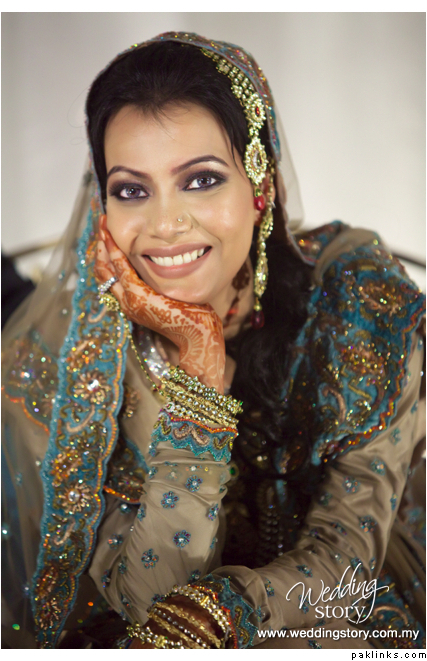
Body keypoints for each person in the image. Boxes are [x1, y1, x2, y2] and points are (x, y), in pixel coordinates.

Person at [1, 32, 425, 650]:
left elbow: (347, 560)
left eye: (200, 180)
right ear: (102, 209)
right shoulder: (70, 370)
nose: (166, 225)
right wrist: (198, 367)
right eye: (132, 190)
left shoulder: (354, 303)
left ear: (261, 187)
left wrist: (231, 610)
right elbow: (150, 610)